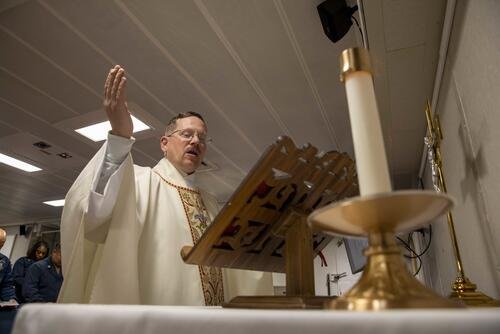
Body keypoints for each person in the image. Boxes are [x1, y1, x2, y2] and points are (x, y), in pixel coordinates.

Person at [59, 65, 272, 305]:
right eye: (187, 134)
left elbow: (235, 265)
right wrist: (119, 137)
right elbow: (94, 217)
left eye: (202, 138)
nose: (195, 141)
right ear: (164, 142)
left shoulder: (210, 202)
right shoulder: (142, 182)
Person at [0, 228, 16, 302]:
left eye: (2, 242)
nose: (0, 245)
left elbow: (6, 285)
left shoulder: (4, 261)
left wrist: (11, 298)